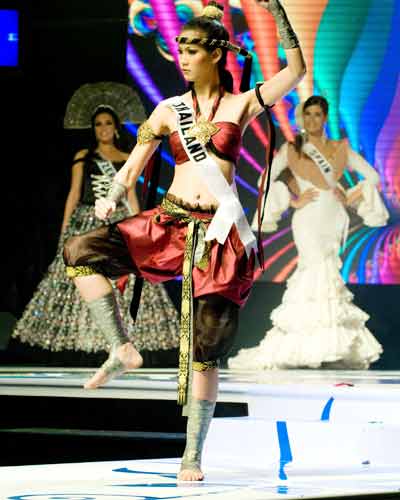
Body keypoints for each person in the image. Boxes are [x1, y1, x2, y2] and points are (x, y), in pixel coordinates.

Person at [63, 0, 306, 481]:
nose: (183, 58)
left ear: (215, 54)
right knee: (81, 252)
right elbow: (136, 160)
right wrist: (114, 193)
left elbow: (296, 71)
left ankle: (192, 454)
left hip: (218, 232)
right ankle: (121, 347)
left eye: (192, 49)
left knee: (206, 348)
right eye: (181, 50)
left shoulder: (241, 104)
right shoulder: (169, 109)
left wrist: (276, 10)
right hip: (170, 223)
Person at [229, 95, 388, 371]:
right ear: (302, 118)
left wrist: (352, 195)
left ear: (325, 118)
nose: (312, 119)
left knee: (328, 274)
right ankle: (304, 347)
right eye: (308, 114)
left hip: (333, 217)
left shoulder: (340, 148)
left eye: (318, 114)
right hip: (307, 219)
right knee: (312, 271)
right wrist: (292, 200)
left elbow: (372, 177)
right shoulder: (294, 148)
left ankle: (330, 347)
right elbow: (263, 179)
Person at [13, 103, 180, 354]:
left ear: (116, 128)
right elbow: (74, 193)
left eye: (108, 123)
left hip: (118, 218)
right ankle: (84, 343)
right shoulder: (83, 157)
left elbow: (131, 195)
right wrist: (64, 229)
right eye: (98, 124)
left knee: (123, 281)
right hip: (86, 218)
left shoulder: (127, 160)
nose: (103, 128)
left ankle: (122, 342)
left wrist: (139, 229)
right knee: (81, 277)